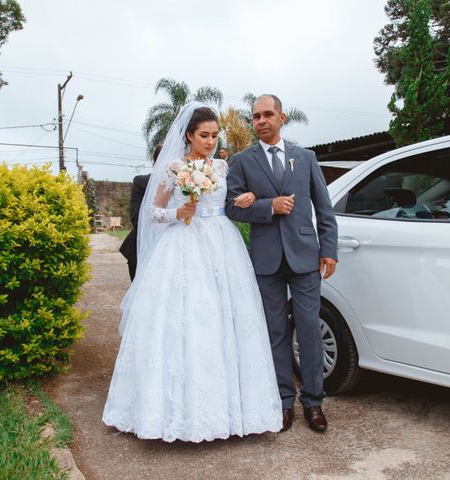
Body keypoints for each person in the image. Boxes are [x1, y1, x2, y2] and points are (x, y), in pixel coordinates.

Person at [102, 102, 282, 442]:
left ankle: (233, 411)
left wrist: (242, 200)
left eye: (215, 135)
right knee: (182, 321)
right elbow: (152, 212)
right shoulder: (173, 168)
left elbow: (227, 204)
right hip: (183, 244)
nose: (211, 141)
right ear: (189, 135)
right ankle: (166, 413)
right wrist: (177, 212)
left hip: (222, 244)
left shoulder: (223, 167)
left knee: (225, 320)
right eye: (204, 135)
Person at [225, 94, 338, 433]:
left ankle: (314, 403)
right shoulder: (242, 162)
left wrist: (328, 249)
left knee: (309, 331)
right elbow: (231, 208)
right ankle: (283, 403)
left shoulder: (305, 158)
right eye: (256, 116)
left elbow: (324, 208)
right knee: (275, 332)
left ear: (282, 118)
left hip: (305, 257)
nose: (261, 120)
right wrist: (266, 206)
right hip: (267, 260)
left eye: (267, 114)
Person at [119, 143, 163, 281]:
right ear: (155, 161)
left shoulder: (185, 185)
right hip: (140, 248)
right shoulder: (142, 182)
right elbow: (136, 217)